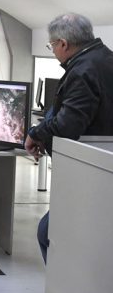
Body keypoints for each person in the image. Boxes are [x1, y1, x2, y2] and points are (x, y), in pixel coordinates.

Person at [24, 13, 113, 264]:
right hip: (103, 163)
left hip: (88, 169)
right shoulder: (104, 58)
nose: (52, 51)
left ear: (63, 43)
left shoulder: (83, 70)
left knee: (48, 233)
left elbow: (67, 125)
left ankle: (63, 283)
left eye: (51, 45)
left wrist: (35, 133)